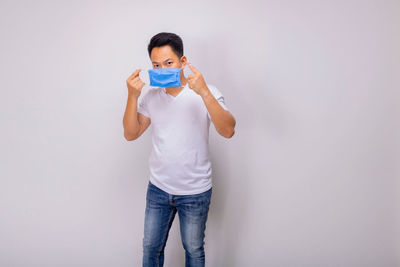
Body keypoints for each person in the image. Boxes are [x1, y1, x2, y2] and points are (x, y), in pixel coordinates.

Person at [123, 32, 236, 267]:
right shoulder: (152, 97)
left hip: (195, 191)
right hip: (159, 189)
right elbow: (131, 134)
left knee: (194, 250)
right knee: (150, 249)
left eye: (168, 63)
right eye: (156, 65)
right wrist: (132, 96)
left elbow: (228, 130)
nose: (162, 69)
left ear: (183, 62)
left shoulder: (207, 92)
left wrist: (204, 91)